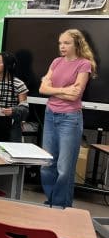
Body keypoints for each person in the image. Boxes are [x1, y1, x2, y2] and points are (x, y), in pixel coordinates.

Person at [39, 29, 96, 208]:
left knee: (64, 169)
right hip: (50, 115)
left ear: (76, 44)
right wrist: (63, 90)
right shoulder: (56, 62)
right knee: (47, 164)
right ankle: (52, 201)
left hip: (70, 119)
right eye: (60, 43)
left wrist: (52, 90)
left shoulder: (84, 64)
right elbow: (42, 89)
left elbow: (75, 95)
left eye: (66, 43)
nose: (62, 46)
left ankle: (60, 207)